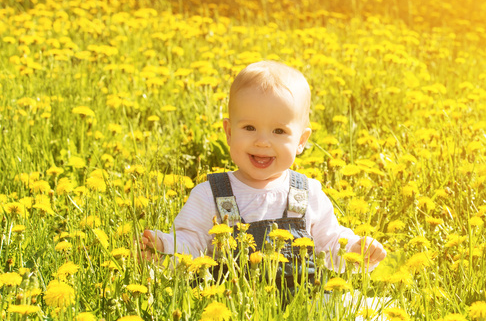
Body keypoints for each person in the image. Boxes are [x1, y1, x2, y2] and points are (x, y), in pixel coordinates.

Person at [140, 60, 386, 287]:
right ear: (228, 131)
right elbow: (192, 245)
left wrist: (356, 248)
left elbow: (330, 244)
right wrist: (163, 246)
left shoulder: (306, 193)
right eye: (249, 127)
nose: (262, 141)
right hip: (234, 308)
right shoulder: (210, 195)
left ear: (301, 141)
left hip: (305, 307)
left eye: (279, 131)